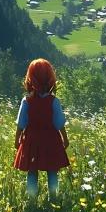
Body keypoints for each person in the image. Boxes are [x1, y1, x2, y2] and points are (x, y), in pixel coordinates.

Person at [14, 58, 69, 197]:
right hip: (51, 139)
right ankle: (54, 197)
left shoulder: (26, 101)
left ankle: (32, 200)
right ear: (50, 78)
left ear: (30, 78)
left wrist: (17, 139)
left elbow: (21, 123)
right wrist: (65, 138)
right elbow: (59, 123)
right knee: (52, 170)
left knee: (32, 171)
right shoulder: (54, 101)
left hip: (31, 140)